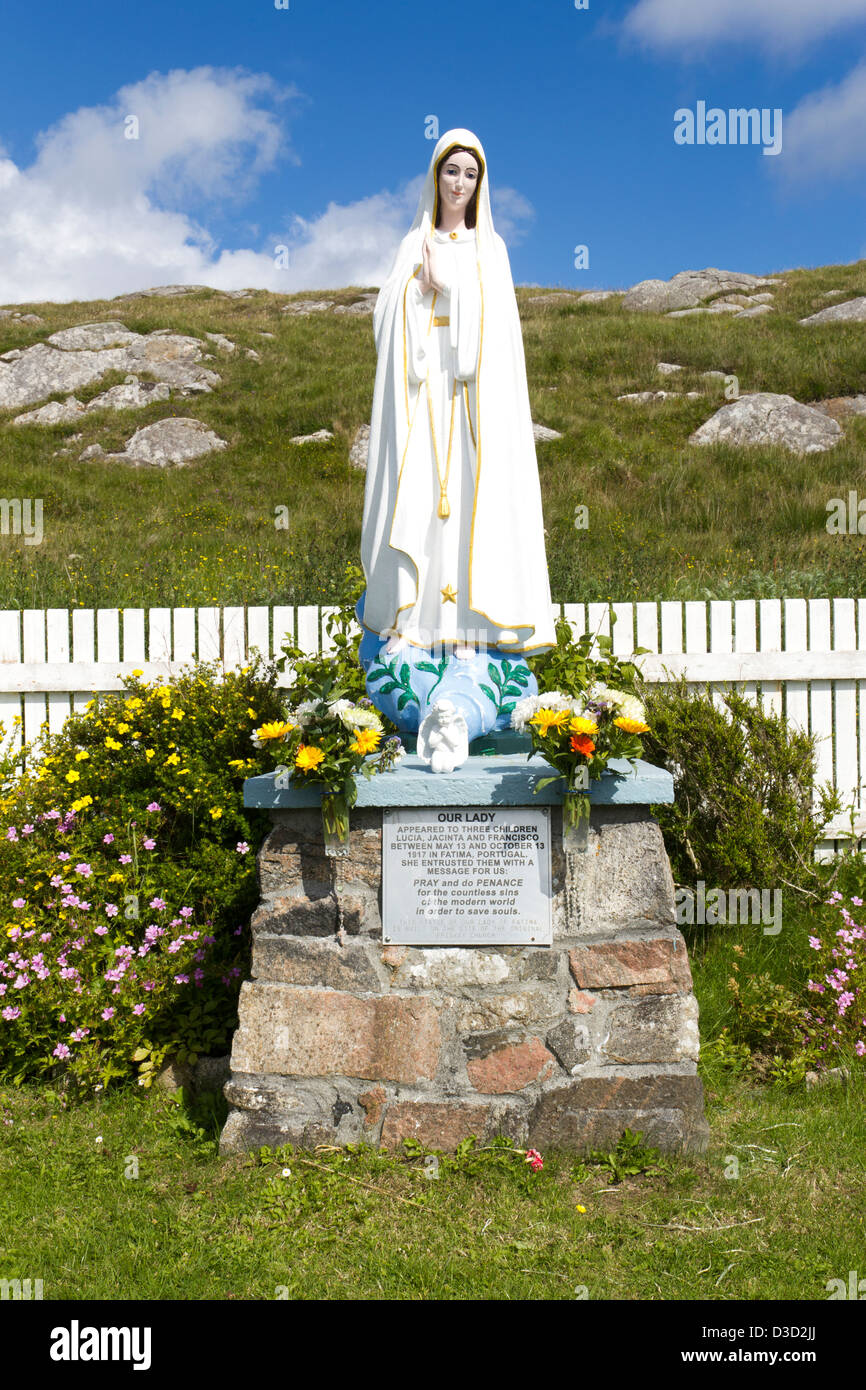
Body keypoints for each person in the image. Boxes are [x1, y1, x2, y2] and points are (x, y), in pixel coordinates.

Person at [359, 128, 556, 663]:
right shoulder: (411, 246)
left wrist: (454, 287)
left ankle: (470, 629)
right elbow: (384, 323)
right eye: (452, 171)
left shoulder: (491, 249)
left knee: (472, 501)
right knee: (419, 498)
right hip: (423, 391)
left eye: (471, 174)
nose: (460, 183)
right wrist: (419, 288)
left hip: (473, 400)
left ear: (480, 183)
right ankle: (415, 621)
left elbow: (502, 335)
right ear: (435, 175)